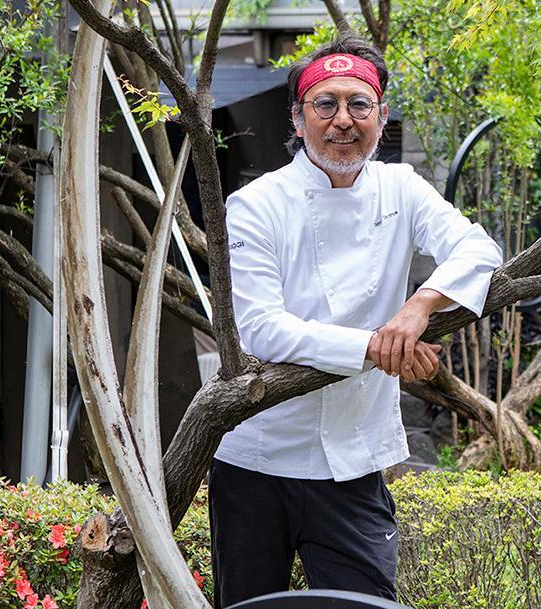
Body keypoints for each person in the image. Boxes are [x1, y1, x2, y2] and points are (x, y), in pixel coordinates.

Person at [208, 33, 503, 607]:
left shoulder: (402, 188)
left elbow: (479, 250)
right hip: (257, 459)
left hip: (353, 459)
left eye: (359, 105)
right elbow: (262, 329)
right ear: (298, 119)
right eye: (325, 104)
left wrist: (418, 308)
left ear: (381, 115)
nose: (343, 120)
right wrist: (378, 346)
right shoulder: (257, 203)